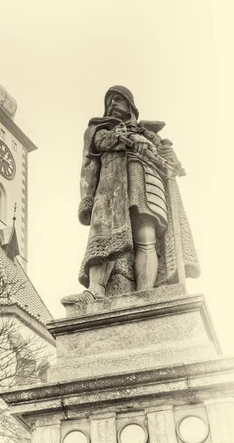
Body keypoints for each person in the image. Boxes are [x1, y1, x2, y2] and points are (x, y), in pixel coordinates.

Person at [62, 85, 200, 304]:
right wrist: (128, 140)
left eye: (118, 100)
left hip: (149, 181)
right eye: (109, 103)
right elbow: (101, 142)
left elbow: (170, 164)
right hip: (112, 187)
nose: (113, 106)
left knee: (147, 237)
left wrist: (168, 155)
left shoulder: (151, 135)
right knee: (104, 235)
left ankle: (146, 292)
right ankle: (95, 289)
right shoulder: (101, 128)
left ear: (130, 105)